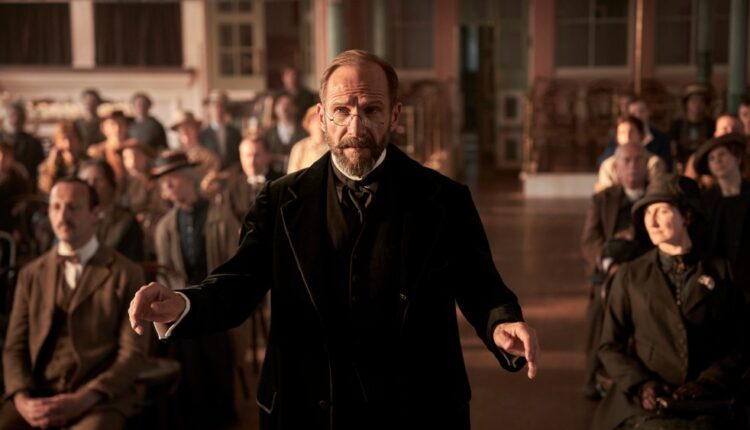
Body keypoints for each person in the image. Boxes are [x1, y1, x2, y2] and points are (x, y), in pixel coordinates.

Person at [129, 49, 539, 430]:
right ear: (322, 117)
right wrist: (183, 303)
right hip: (304, 406)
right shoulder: (279, 200)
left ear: (395, 115)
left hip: (416, 407)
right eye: (342, 111)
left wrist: (501, 322)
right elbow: (239, 283)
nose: (355, 128)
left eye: (371, 110)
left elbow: (480, 284)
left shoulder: (444, 199)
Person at [592, 175, 747, 430]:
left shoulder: (721, 272)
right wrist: (643, 384)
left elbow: (741, 345)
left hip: (709, 401)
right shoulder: (631, 274)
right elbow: (609, 346)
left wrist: (709, 382)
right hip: (646, 403)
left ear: (687, 216)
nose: (651, 221)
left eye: (662, 211)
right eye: (647, 213)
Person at [1, 178, 146, 430]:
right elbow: (14, 347)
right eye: (56, 207)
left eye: (73, 207)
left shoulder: (126, 273)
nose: (63, 216)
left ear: (95, 214)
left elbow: (132, 354)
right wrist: (22, 400)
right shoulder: (31, 274)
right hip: (37, 395)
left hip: (98, 400)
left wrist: (84, 399)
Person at [150, 151, 254, 430]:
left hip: (216, 301)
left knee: (214, 345)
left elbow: (236, 266)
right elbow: (167, 276)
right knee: (180, 346)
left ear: (189, 178)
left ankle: (220, 417)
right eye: (162, 182)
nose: (167, 186)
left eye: (172, 178)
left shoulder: (220, 217)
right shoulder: (165, 227)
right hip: (181, 304)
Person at [581, 142, 653, 399]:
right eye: (627, 161)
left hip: (648, 273)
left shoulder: (656, 197)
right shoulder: (602, 200)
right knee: (600, 309)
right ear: (617, 168)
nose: (633, 166)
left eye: (638, 160)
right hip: (610, 272)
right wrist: (611, 263)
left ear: (647, 166)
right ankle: (593, 375)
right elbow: (590, 241)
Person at [693, 133, 750, 303]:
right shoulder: (705, 201)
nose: (717, 161)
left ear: (737, 158)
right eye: (712, 158)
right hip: (722, 281)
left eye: (722, 154)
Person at [79, 159, 145, 262]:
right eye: (86, 181)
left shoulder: (126, 221)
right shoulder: (76, 219)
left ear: (111, 185)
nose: (91, 186)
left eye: (97, 180)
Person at [597, 98, 673, 171]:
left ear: (648, 112)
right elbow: (603, 160)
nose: (638, 115)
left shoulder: (661, 138)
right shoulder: (620, 135)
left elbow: (668, 165)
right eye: (634, 113)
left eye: (641, 111)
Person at [222, 135, 283, 222]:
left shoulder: (280, 183)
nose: (252, 161)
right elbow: (230, 220)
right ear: (241, 157)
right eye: (248, 156)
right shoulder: (232, 186)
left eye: (256, 155)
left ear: (268, 156)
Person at [596, 116, 665, 192]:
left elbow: (658, 191)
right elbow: (606, 195)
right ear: (617, 137)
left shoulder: (654, 162)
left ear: (641, 135)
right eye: (622, 133)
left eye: (631, 132)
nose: (627, 136)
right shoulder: (608, 165)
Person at [669, 83, 715, 172]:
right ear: (686, 103)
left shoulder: (711, 125)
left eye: (701, 101)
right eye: (694, 100)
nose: (697, 104)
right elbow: (673, 147)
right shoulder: (677, 125)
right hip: (682, 163)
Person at [86, 105, 130, 189]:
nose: (117, 129)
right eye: (112, 124)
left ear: (127, 126)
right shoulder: (96, 152)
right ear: (104, 128)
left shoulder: (136, 149)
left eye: (121, 124)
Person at [38, 121, 88, 196]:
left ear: (80, 141)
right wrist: (52, 169)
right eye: (63, 139)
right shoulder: (46, 167)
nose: (68, 145)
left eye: (72, 139)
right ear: (56, 143)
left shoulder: (89, 165)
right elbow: (44, 193)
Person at [263, 92, 308, 173]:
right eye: (280, 104)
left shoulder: (305, 132)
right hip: (273, 174)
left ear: (296, 108)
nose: (284, 107)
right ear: (275, 108)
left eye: (288, 104)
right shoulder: (268, 133)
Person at [1, 103, 44, 186]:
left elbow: (39, 169)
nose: (16, 119)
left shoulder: (33, 143)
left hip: (24, 186)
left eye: (19, 116)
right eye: (12, 115)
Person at [170, 110, 220, 180]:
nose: (185, 131)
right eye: (181, 128)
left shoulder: (209, 157)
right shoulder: (174, 156)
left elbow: (212, 179)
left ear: (196, 129)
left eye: (188, 127)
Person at [199, 90, 242, 170]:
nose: (218, 110)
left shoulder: (235, 133)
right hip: (212, 173)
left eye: (221, 106)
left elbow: (239, 155)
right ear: (209, 109)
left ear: (225, 108)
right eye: (214, 106)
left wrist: (234, 169)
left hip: (233, 174)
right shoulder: (203, 134)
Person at [287, 105, 330, 174]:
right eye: (315, 121)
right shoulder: (299, 147)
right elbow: (292, 176)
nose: (318, 125)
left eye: (322, 120)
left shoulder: (334, 147)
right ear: (308, 125)